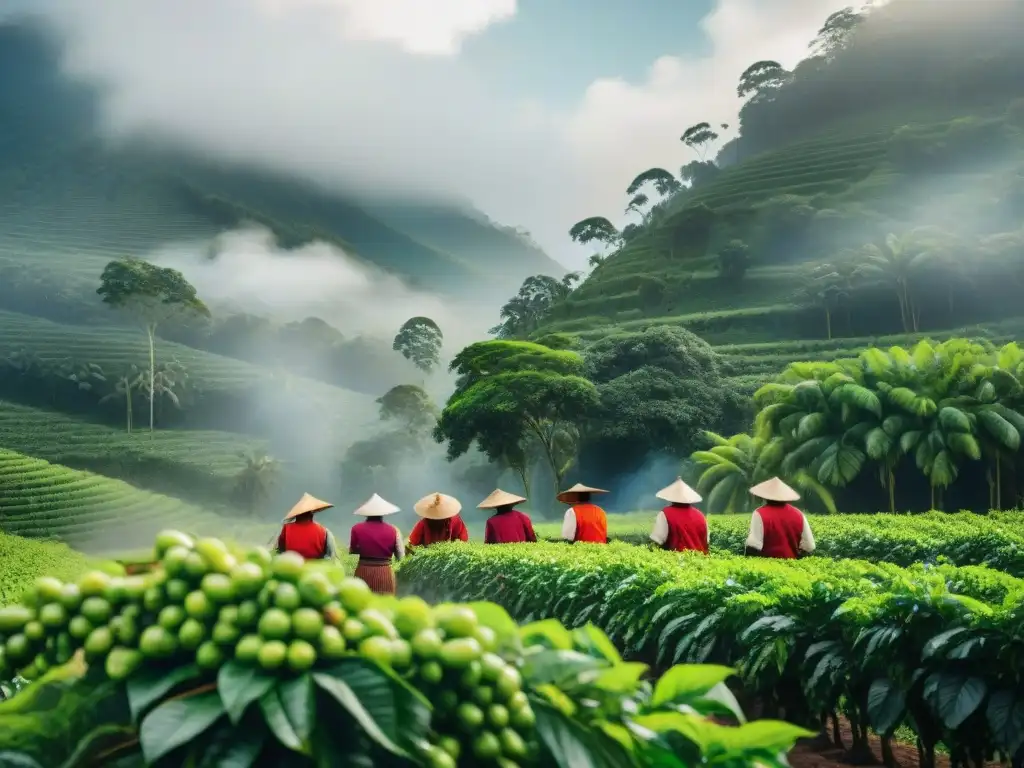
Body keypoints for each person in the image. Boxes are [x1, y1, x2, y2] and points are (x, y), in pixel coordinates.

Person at [744, 477, 816, 559]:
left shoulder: (759, 514)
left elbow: (753, 546)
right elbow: (809, 546)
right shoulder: (799, 514)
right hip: (793, 567)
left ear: (765, 496)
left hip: (767, 567)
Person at [348, 493, 404, 595]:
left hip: (363, 571)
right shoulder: (394, 530)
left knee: (361, 602)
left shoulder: (356, 529)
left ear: (367, 513)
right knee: (384, 603)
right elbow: (400, 555)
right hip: (384, 572)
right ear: (382, 514)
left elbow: (352, 550)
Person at [650, 477, 709, 554]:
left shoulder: (665, 513)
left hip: (676, 563)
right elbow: (706, 543)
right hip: (700, 562)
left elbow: (657, 541)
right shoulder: (701, 515)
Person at [276, 493, 339, 559]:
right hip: (316, 567)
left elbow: (280, 551)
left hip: (292, 565)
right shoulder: (324, 531)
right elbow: (329, 556)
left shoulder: (286, 528)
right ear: (311, 515)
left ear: (296, 515)